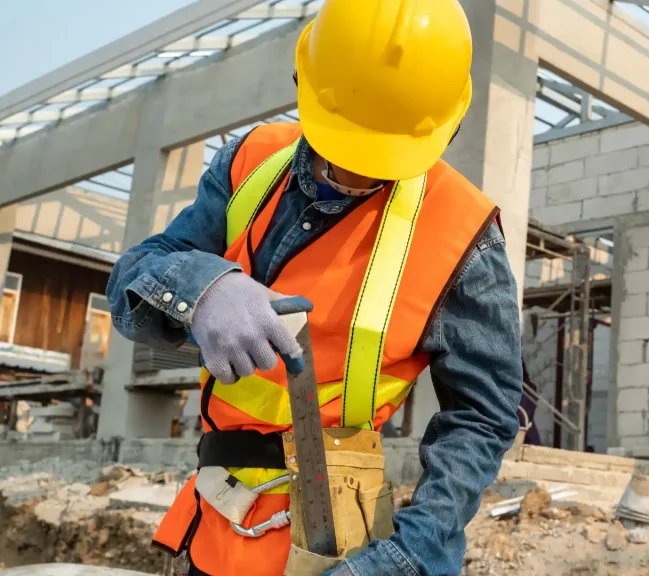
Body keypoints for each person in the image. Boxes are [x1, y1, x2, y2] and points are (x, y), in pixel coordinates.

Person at [106, 2, 524, 575]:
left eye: (377, 161)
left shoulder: (464, 235)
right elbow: (132, 279)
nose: (352, 176)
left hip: (338, 552)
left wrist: (408, 555)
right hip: (214, 527)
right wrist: (200, 286)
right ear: (304, 82)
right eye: (342, 152)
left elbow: (483, 416)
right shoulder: (251, 161)